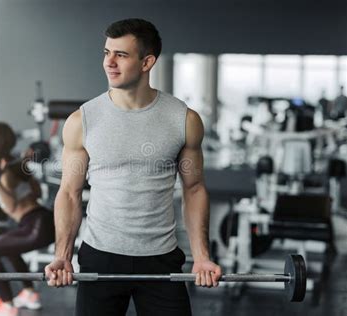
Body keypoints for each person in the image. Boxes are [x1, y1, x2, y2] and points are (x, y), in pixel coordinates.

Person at [45, 18, 222, 315]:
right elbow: (69, 193)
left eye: (121, 55)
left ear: (147, 62)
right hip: (99, 257)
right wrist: (62, 256)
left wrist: (202, 257)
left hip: (161, 258)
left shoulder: (183, 119)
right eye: (106, 53)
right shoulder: (82, 120)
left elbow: (194, 189)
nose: (109, 63)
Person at [0, 122, 55, 316]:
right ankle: (29, 293)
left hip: (33, 225)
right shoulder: (16, 164)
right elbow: (37, 194)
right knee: (10, 249)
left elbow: (10, 206)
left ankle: (8, 305)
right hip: (44, 220)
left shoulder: (3, 172)